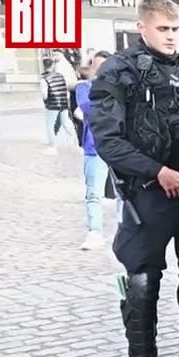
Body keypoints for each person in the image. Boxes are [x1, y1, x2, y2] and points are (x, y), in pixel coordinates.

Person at [88, 0, 179, 357]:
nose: (172, 37)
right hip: (147, 195)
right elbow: (108, 139)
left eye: (177, 29)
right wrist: (156, 171)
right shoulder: (118, 72)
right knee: (142, 284)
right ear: (142, 27)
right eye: (163, 29)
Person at [74, 51, 113, 250]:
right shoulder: (83, 87)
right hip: (93, 147)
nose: (99, 71)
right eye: (96, 66)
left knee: (124, 194)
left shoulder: (118, 86)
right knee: (93, 193)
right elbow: (88, 108)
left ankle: (124, 229)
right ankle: (94, 232)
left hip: (118, 146)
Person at [40, 57, 77, 152]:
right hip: (63, 103)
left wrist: (46, 101)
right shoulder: (61, 76)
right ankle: (77, 143)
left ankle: (53, 147)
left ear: (43, 67)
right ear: (52, 65)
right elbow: (65, 90)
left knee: (50, 125)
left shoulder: (44, 79)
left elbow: (44, 95)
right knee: (66, 123)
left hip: (52, 105)